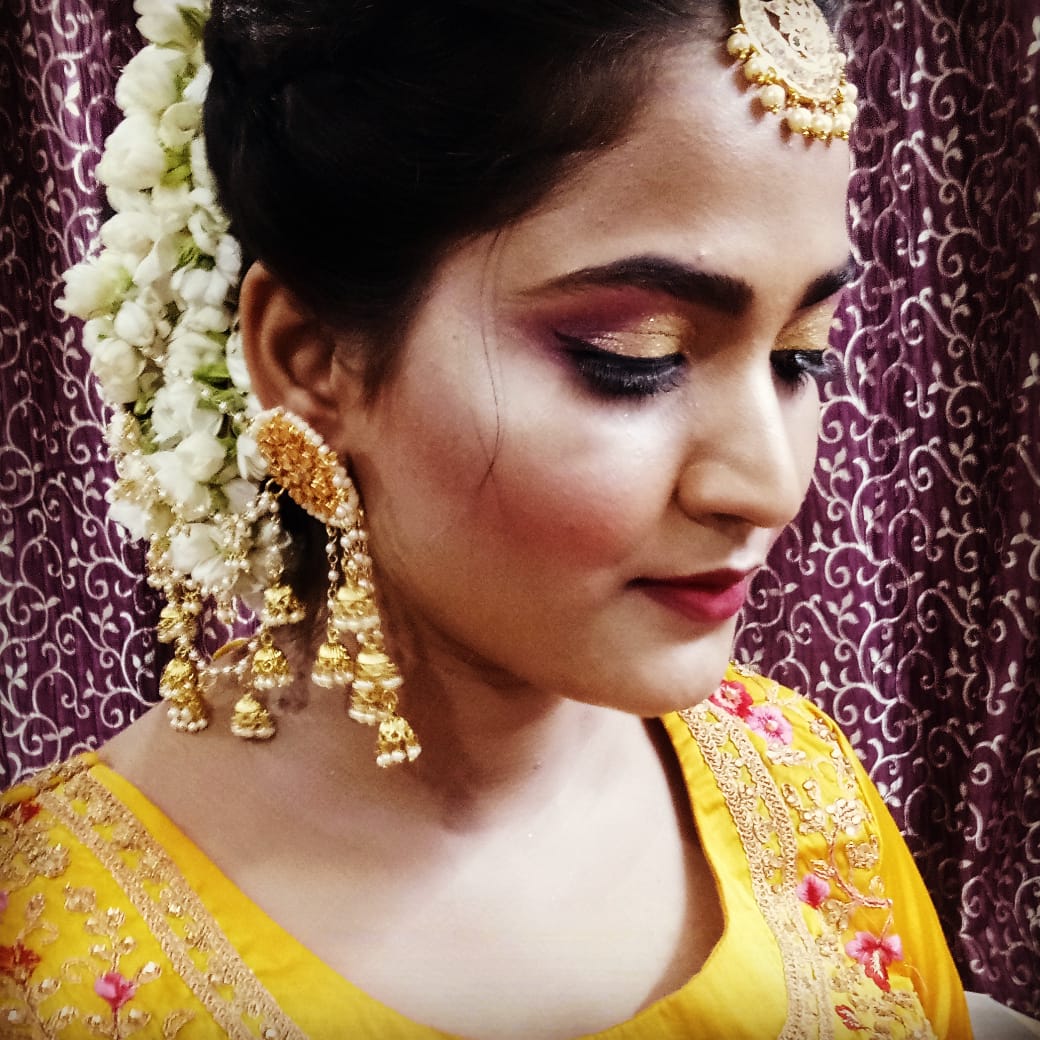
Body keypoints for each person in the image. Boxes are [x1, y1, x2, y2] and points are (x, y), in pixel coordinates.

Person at [1, 1, 971, 1037]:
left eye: (799, 355)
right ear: (310, 361)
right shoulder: (49, 960)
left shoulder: (805, 790)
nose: (769, 484)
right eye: (634, 358)